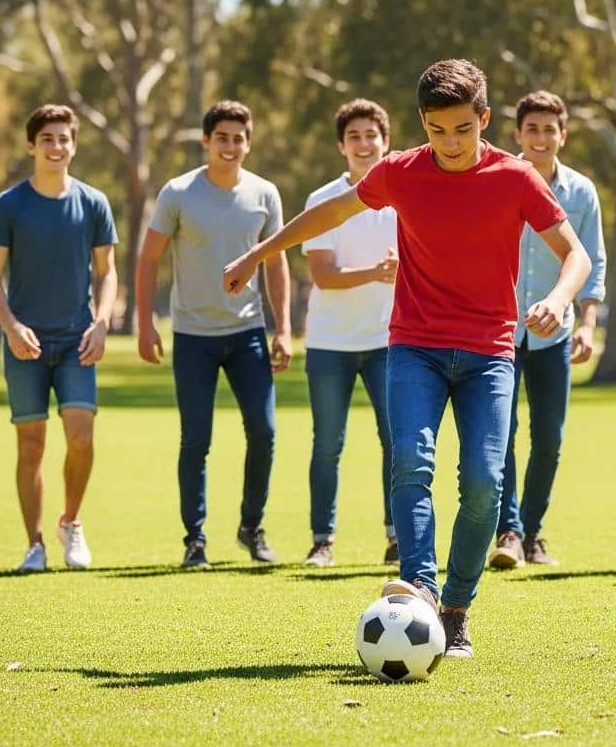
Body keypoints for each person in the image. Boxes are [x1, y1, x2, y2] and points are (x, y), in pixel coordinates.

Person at [223, 59, 590, 656]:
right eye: (437, 130)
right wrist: (258, 254)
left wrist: (557, 297)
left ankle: (457, 607)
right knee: (412, 463)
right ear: (422, 122)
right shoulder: (399, 172)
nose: (450, 144)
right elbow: (331, 213)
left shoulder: (516, 178)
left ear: (485, 120)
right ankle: (418, 584)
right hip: (414, 345)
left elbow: (575, 254)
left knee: (483, 483)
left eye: (463, 130)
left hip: (489, 354)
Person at [136, 101, 291, 570]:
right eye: (221, 137)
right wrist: (145, 323)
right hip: (193, 336)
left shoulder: (265, 194)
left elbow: (277, 262)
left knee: (263, 432)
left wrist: (282, 327)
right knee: (196, 440)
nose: (230, 146)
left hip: (247, 333)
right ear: (206, 141)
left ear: (249, 141)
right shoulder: (178, 193)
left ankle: (252, 527)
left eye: (238, 138)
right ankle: (195, 540)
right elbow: (148, 259)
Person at [0, 104, 119, 572]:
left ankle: (71, 523)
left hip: (77, 342)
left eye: (64, 139)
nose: (56, 147)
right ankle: (34, 545)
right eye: (47, 139)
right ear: (31, 146)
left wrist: (101, 321)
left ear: (74, 145)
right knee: (32, 445)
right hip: (26, 345)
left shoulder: (94, 203)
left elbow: (107, 272)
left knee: (80, 437)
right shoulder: (10, 205)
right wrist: (12, 327)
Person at [488, 91, 606, 570]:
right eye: (531, 129)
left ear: (562, 134)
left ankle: (532, 529)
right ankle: (509, 532)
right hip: (498, 330)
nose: (540, 138)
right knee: (501, 433)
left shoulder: (582, 192)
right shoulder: (496, 182)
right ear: (518, 134)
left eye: (548, 129)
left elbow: (591, 260)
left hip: (555, 336)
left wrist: (588, 324)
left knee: (549, 438)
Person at [301, 99, 399, 568]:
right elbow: (324, 275)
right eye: (354, 137)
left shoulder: (404, 198)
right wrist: (378, 273)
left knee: (396, 441)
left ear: (386, 141)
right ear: (342, 146)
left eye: (371, 135)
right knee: (327, 443)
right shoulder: (321, 201)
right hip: (329, 343)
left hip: (388, 342)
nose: (364, 144)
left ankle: (397, 536)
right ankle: (323, 540)